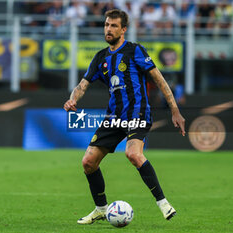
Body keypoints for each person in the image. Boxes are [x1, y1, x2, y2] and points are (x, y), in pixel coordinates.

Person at [63, 9, 185, 224]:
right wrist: (73, 99)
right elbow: (82, 85)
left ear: (123, 29)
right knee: (88, 162)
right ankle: (101, 209)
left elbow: (159, 80)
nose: (108, 29)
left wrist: (174, 109)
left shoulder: (135, 50)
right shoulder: (100, 57)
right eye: (106, 25)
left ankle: (164, 204)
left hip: (138, 113)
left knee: (133, 155)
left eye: (113, 26)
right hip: (114, 117)